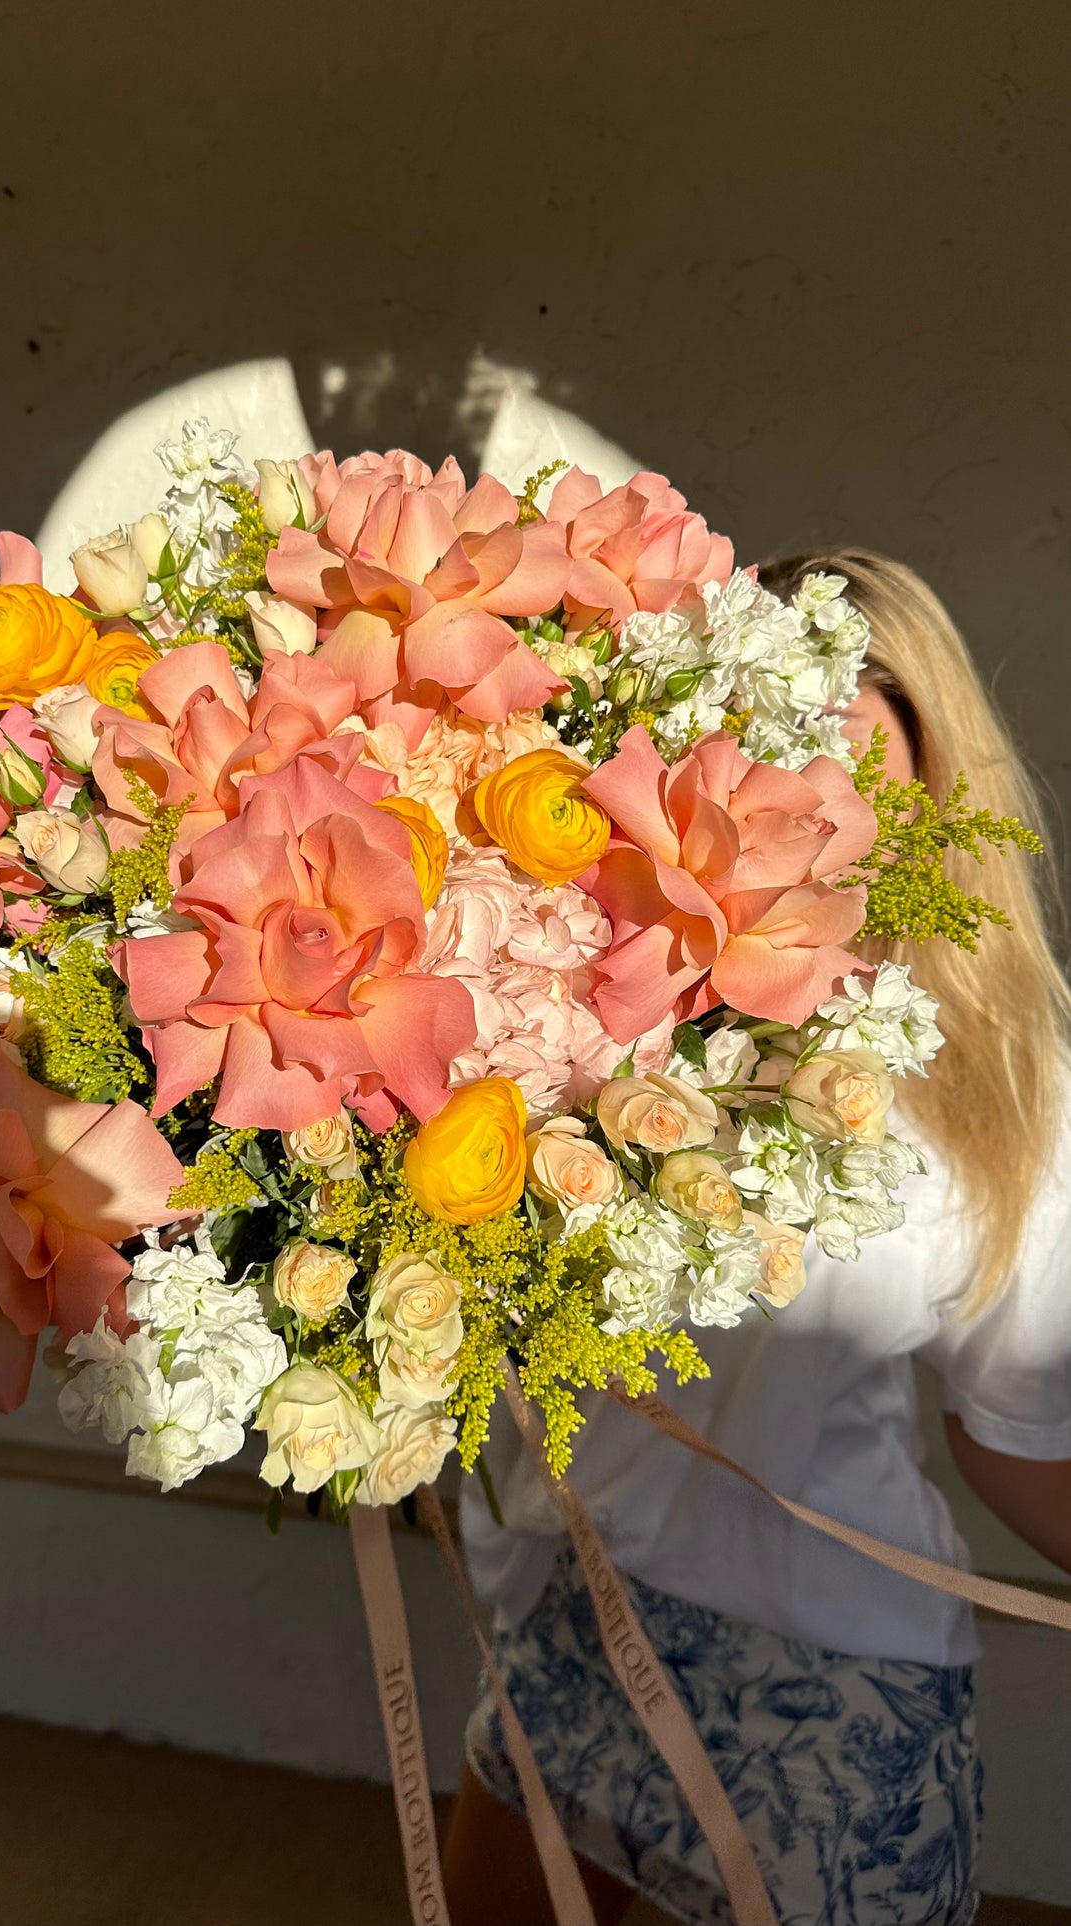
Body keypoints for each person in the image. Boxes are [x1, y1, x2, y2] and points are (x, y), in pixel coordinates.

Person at [442, 549, 1071, 1926]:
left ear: (925, 751)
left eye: (843, 736)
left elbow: (1012, 1422)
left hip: (830, 1670)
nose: (799, 789)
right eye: (755, 732)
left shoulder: (997, 1069)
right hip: (573, 1608)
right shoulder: (582, 989)